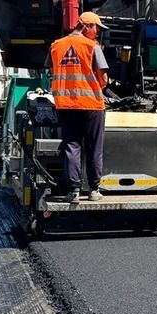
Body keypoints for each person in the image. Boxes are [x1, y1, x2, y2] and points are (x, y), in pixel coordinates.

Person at [48, 11, 109, 203]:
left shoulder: (56, 46)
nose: (97, 33)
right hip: (91, 105)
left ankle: (73, 191)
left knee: (72, 147)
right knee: (93, 147)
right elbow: (104, 79)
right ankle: (93, 190)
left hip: (66, 105)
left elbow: (52, 70)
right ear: (87, 26)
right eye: (97, 28)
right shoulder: (93, 46)